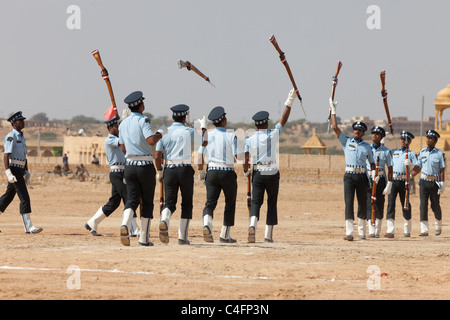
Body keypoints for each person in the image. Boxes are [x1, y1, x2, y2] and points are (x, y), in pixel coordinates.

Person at [244, 89, 296, 243]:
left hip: (258, 172)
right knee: (271, 202)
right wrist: (289, 101)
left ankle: (252, 225)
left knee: (256, 202)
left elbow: (246, 157)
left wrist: (246, 170)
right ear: (266, 122)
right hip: (272, 172)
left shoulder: (250, 139)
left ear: (256, 124)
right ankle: (268, 235)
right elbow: (283, 119)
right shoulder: (273, 135)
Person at [154, 104, 207, 245]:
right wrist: (203, 128)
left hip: (169, 169)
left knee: (170, 203)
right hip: (184, 169)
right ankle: (182, 237)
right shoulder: (189, 131)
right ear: (185, 117)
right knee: (187, 203)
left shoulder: (164, 131)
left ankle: (164, 219)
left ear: (172, 117)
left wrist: (159, 170)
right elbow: (204, 142)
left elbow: (157, 155)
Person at [118, 91, 163, 246]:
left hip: (129, 165)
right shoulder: (144, 121)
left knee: (131, 199)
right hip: (144, 165)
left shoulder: (122, 124)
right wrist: (159, 135)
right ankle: (144, 238)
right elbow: (151, 141)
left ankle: (125, 224)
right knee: (147, 201)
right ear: (141, 105)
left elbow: (123, 148)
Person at [85, 117, 139, 237]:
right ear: (110, 128)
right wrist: (126, 126)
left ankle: (92, 222)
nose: (118, 128)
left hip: (122, 172)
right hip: (116, 173)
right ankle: (134, 228)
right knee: (129, 198)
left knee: (114, 202)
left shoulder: (118, 138)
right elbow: (123, 142)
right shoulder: (109, 140)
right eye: (116, 127)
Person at [329, 100, 375, 241]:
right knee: (348, 203)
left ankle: (362, 232)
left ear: (363, 133)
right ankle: (349, 232)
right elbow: (335, 127)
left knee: (362, 203)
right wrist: (333, 110)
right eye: (355, 129)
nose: (357, 131)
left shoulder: (367, 147)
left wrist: (374, 174)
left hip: (362, 176)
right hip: (349, 175)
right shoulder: (346, 142)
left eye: (359, 130)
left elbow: (372, 163)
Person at [198, 106, 244, 243]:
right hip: (227, 172)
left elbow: (200, 155)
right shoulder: (231, 135)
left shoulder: (207, 135)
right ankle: (225, 235)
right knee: (229, 203)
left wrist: (201, 172)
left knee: (210, 203)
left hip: (211, 171)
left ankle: (207, 223)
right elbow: (239, 157)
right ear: (223, 120)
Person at [0, 111, 42, 234]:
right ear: (14, 123)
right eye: (20, 121)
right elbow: (6, 156)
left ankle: (28, 226)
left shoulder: (21, 137)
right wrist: (8, 172)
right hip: (13, 169)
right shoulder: (11, 136)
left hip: (20, 169)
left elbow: (24, 156)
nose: (23, 122)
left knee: (8, 197)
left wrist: (27, 171)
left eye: (23, 120)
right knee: (24, 197)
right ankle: (28, 226)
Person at [385, 131, 420, 238]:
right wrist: (384, 140)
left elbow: (417, 169)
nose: (403, 141)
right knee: (391, 204)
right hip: (394, 180)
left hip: (405, 180)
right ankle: (390, 230)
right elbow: (384, 155)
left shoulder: (412, 154)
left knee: (405, 204)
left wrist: (411, 168)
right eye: (402, 139)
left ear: (409, 141)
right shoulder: (393, 152)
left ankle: (407, 230)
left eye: (405, 139)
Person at [365, 126, 393, 239]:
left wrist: (389, 184)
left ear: (381, 137)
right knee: (369, 203)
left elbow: (390, 168)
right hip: (369, 177)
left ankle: (377, 230)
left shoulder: (386, 151)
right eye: (373, 133)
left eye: (377, 134)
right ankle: (371, 230)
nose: (374, 136)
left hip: (380, 178)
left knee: (379, 204)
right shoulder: (367, 148)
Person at [416, 129, 445, 236]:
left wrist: (442, 183)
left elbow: (442, 169)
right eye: (427, 138)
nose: (428, 140)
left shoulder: (439, 153)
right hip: (423, 182)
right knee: (423, 205)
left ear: (435, 140)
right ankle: (424, 229)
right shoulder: (422, 152)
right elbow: (418, 167)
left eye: (430, 138)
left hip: (434, 183)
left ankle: (438, 224)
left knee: (435, 205)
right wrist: (410, 174)